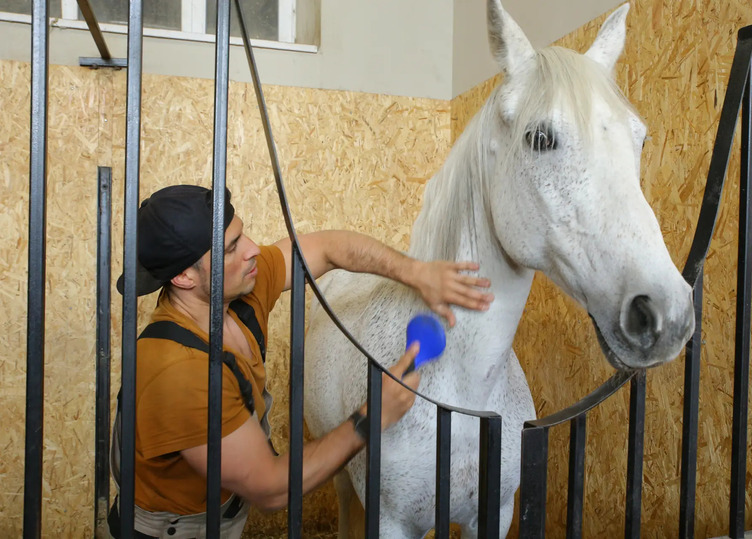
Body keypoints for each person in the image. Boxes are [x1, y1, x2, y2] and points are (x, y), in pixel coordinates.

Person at [107, 185, 494, 538]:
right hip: (167, 532)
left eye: (243, 234)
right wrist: (374, 416)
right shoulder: (178, 371)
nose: (254, 249)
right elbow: (272, 488)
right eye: (230, 248)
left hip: (218, 518)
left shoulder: (237, 296)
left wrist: (417, 272)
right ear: (184, 278)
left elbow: (326, 248)